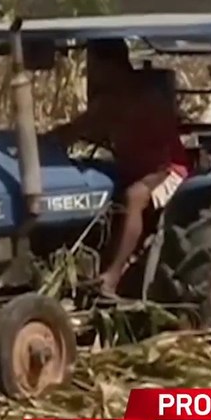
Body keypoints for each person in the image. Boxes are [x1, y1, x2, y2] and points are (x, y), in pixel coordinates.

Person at [45, 39, 190, 298]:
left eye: (94, 65)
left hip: (168, 170)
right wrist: (43, 143)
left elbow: (163, 154)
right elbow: (77, 130)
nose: (90, 72)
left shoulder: (142, 97)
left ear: (111, 65)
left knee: (134, 196)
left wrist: (147, 180)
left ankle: (112, 277)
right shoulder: (108, 101)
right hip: (130, 167)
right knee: (93, 177)